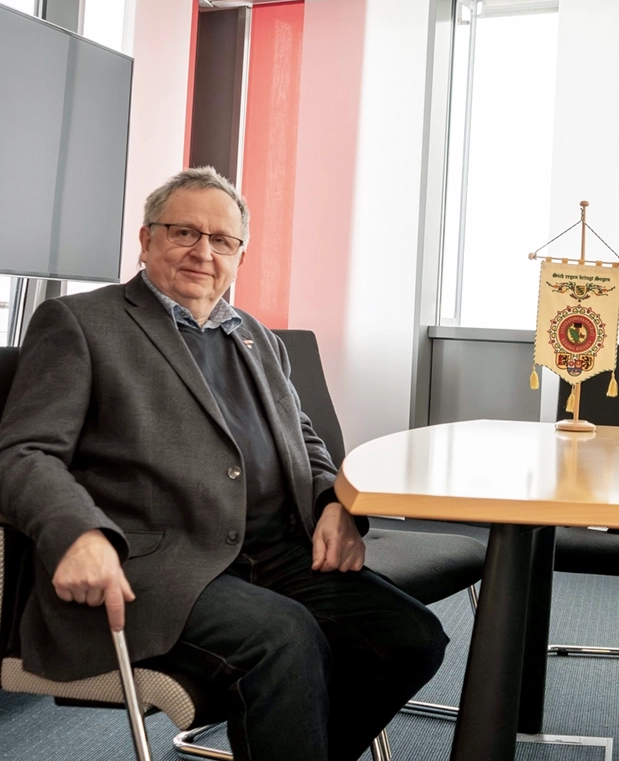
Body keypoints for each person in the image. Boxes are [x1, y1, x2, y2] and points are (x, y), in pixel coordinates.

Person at [0, 167, 448, 761]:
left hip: (276, 552)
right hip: (157, 564)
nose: (203, 252)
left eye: (221, 240)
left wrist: (331, 504)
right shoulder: (81, 323)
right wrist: (77, 533)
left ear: (240, 255)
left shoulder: (257, 336)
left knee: (410, 637)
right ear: (146, 239)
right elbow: (26, 453)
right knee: (284, 640)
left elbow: (305, 440)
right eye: (184, 232)